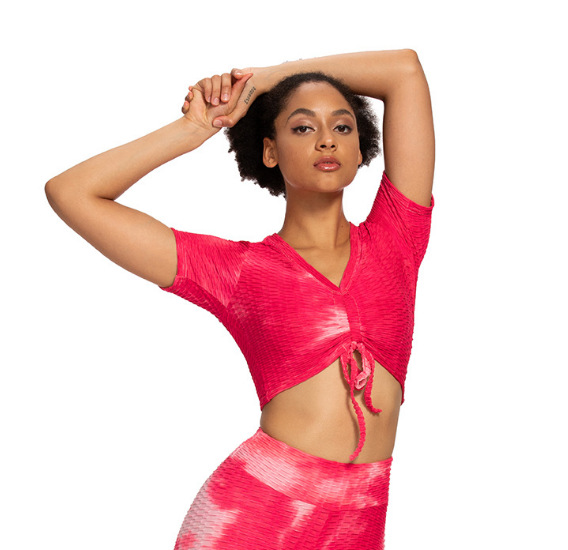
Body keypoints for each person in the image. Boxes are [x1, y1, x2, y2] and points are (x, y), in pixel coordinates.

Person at [45, 49, 435, 549]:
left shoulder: (396, 241)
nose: (326, 139)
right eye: (302, 127)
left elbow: (404, 71)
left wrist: (267, 79)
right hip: (252, 519)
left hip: (359, 522)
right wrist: (194, 129)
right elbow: (71, 192)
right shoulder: (238, 272)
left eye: (342, 127)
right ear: (270, 152)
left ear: (361, 150)